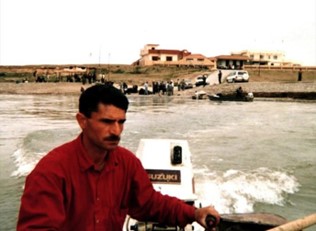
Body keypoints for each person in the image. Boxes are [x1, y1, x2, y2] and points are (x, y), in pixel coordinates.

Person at [17, 84, 220, 231]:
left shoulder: (127, 163)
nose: (116, 131)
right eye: (107, 121)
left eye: (121, 122)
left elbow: (150, 203)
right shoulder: (51, 172)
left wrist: (193, 214)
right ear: (82, 121)